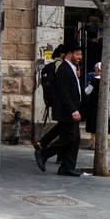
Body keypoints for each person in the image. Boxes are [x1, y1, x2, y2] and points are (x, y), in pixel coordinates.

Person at [34, 40, 83, 177]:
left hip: (72, 110)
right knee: (69, 137)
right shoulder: (63, 69)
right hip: (67, 111)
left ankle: (67, 167)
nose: (80, 57)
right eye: (78, 54)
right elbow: (63, 92)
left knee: (75, 139)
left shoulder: (71, 69)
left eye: (81, 55)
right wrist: (72, 109)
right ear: (69, 54)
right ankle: (43, 153)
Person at [33, 44, 66, 153]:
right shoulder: (60, 66)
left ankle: (43, 144)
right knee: (64, 128)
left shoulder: (52, 66)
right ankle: (44, 146)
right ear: (62, 54)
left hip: (55, 101)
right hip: (61, 101)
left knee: (63, 127)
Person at [85, 62, 110, 150]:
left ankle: (94, 145)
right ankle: (104, 144)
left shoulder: (93, 81)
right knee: (103, 123)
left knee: (93, 125)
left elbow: (87, 92)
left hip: (94, 104)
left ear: (97, 70)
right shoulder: (109, 80)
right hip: (104, 104)